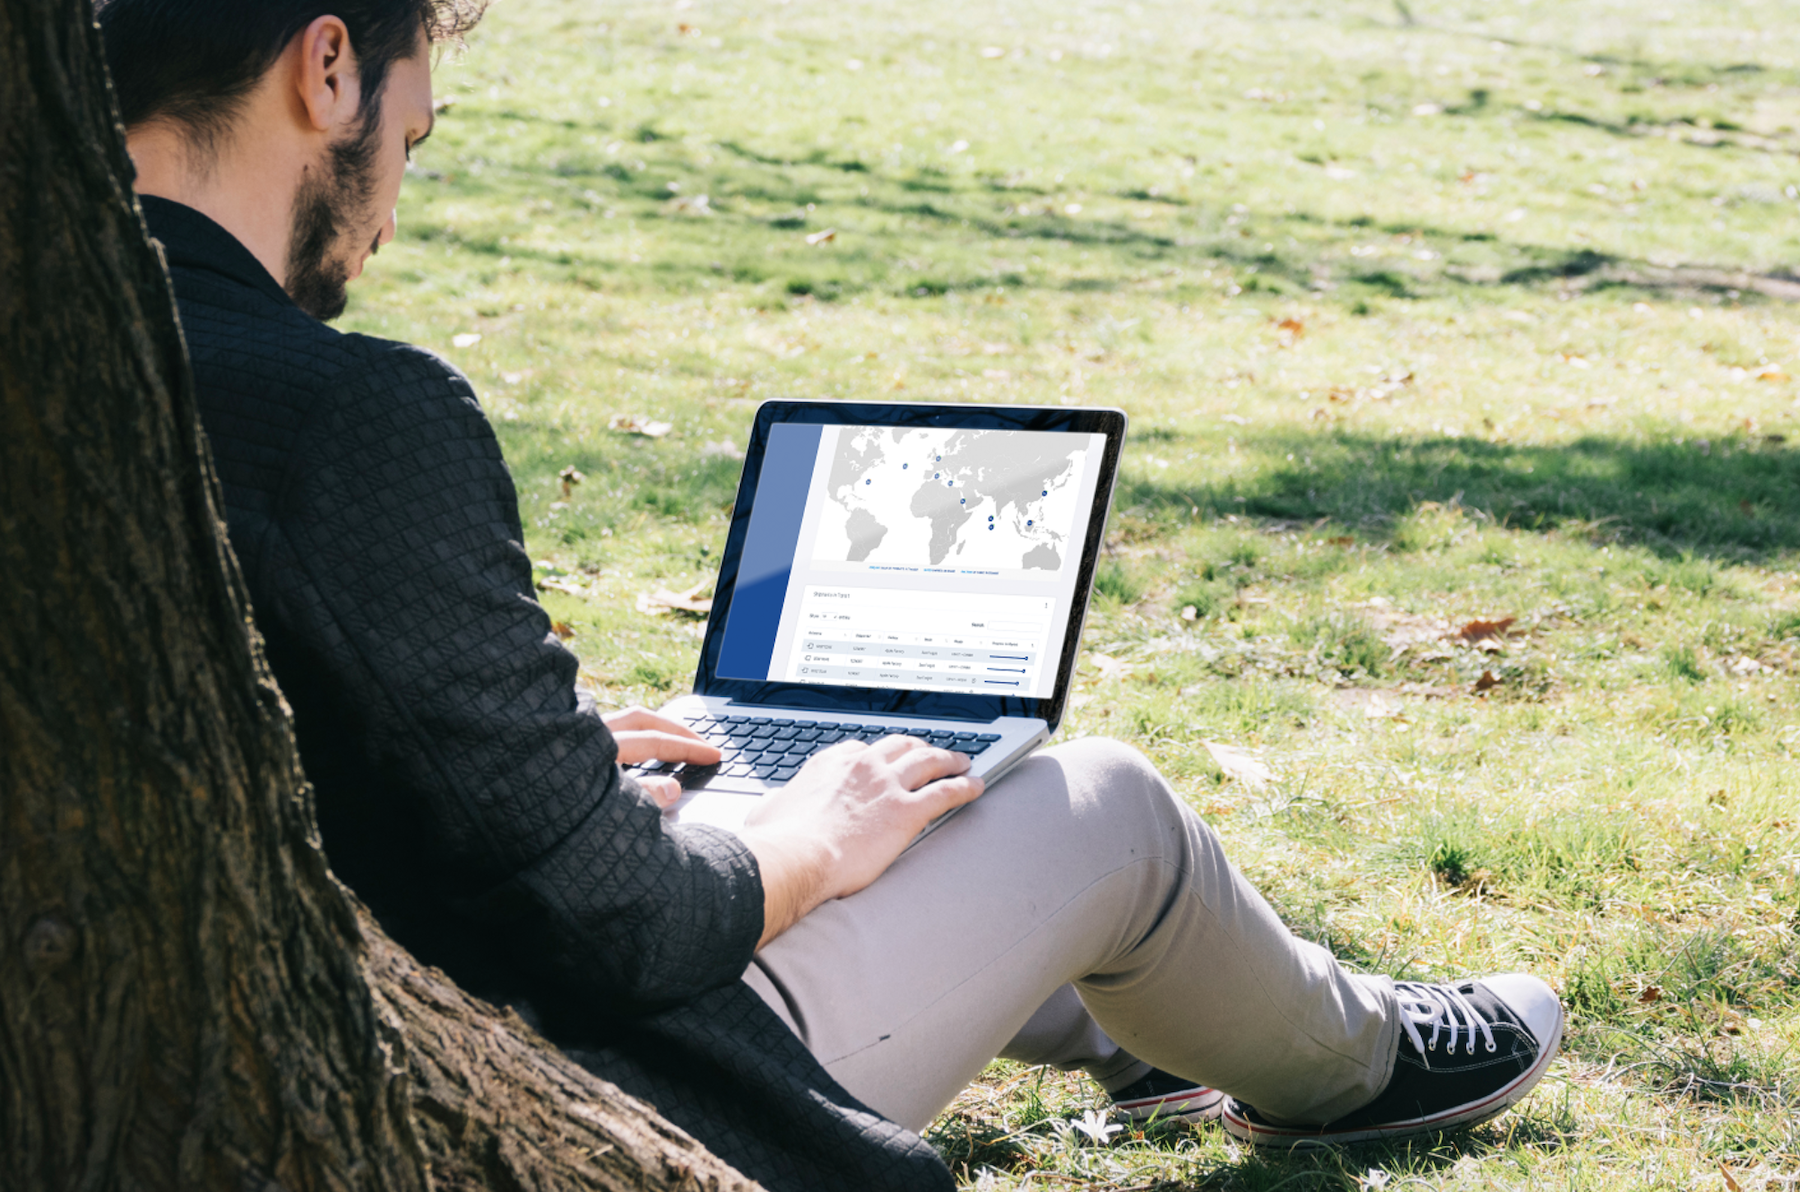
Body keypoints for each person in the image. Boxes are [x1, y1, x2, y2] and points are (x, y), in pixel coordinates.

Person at [96, 1, 1566, 1187]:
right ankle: (1361, 1061)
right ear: (329, 67)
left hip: (259, 1045)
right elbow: (628, 931)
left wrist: (537, 767)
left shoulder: (64, 365)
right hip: (528, 1103)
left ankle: (1143, 1022)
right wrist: (807, 838)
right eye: (412, 139)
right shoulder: (348, 414)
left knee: (845, 798)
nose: (391, 219)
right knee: (1094, 805)